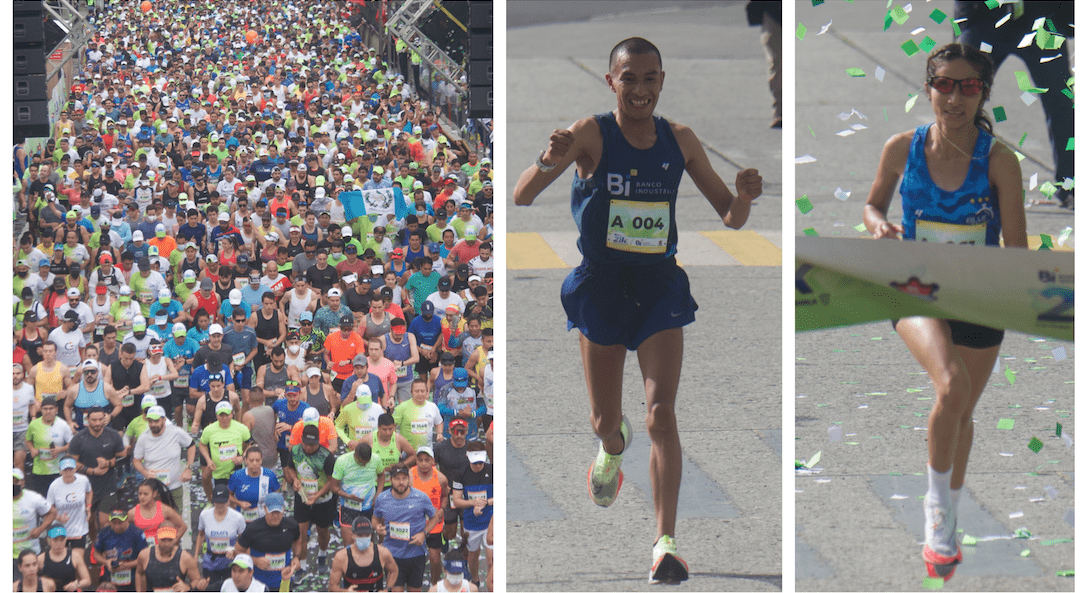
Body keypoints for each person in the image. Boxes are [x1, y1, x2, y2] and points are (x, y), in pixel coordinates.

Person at [512, 37, 764, 583]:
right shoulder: (590, 134)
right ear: (612, 83)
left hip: (658, 290)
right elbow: (522, 196)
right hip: (602, 288)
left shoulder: (681, 140)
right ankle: (611, 448)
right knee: (607, 423)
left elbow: (730, 216)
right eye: (630, 79)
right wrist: (549, 159)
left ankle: (664, 543)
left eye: (650, 79)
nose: (641, 90)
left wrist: (744, 196)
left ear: (662, 82)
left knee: (662, 413)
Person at [861, 43, 1027, 582]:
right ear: (928, 87)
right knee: (951, 388)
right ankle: (936, 513)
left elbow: (1018, 250)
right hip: (914, 293)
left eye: (968, 86)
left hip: (979, 297)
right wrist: (877, 226)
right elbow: (873, 205)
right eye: (944, 85)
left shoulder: (999, 160)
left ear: (982, 92)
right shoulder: (900, 148)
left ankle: (949, 511)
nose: (954, 97)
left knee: (962, 414)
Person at [954, 1, 1074, 209]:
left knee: (1061, 101)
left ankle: (1071, 184)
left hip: (1040, 18)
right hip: (984, 16)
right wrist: (965, 23)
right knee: (959, 93)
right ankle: (953, 180)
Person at [372, 464, 441, 593]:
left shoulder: (421, 498)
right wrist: (377, 527)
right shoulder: (382, 499)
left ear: (409, 479)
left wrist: (423, 533)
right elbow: (375, 518)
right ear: (391, 479)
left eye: (404, 478)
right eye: (397, 478)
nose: (401, 482)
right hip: (392, 555)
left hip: (416, 554)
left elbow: (434, 517)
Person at [284, 424, 337, 572]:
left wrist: (317, 496)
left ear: (318, 442)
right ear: (301, 440)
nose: (308, 448)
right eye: (306, 444)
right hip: (302, 497)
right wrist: (295, 480)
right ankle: (301, 565)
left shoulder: (326, 456)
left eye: (312, 445)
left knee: (323, 532)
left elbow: (331, 481)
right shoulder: (295, 450)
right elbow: (291, 468)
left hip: (322, 499)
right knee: (301, 534)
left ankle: (322, 554)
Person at [234, 492, 303, 592]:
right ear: (265, 509)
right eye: (272, 512)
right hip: (258, 585)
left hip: (284, 581)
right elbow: (237, 551)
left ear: (283, 509)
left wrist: (296, 557)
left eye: (278, 512)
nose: (275, 516)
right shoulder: (253, 529)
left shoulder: (292, 526)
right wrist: (255, 561)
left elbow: (298, 540)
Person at [450, 444, 492, 588]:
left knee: (491, 559)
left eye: (481, 462)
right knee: (473, 556)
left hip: (490, 522)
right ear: (467, 456)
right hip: (471, 523)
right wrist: (472, 503)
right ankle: (475, 581)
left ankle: (492, 585)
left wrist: (484, 503)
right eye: (475, 463)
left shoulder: (492, 470)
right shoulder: (460, 473)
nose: (478, 465)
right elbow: (456, 500)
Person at [410, 447, 449, 587]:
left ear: (433, 461)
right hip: (415, 524)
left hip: (435, 524)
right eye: (420, 460)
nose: (423, 463)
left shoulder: (441, 478)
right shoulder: (410, 476)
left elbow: (445, 496)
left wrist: (443, 509)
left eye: (427, 460)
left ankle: (434, 584)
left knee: (435, 559)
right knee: (414, 558)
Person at [195, 484, 247, 585]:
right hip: (211, 561)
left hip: (230, 562)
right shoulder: (204, 515)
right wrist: (196, 555)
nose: (220, 506)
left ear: (228, 500)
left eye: (223, 502)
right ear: (212, 499)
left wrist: (235, 551)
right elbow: (201, 535)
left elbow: (244, 540)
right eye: (217, 502)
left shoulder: (237, 517)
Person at [328, 518, 399, 593]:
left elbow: (394, 570)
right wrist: (345, 591)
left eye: (367, 535)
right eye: (360, 535)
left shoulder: (383, 553)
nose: (363, 538)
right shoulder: (341, 557)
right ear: (352, 535)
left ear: (371, 535)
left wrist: (387, 590)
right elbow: (332, 586)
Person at [199, 400, 252, 499]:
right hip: (219, 474)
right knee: (223, 500)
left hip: (237, 472)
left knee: (237, 500)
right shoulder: (209, 430)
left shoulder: (241, 428)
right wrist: (208, 460)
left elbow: (251, 444)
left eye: (227, 415)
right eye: (221, 415)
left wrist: (243, 456)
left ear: (232, 414)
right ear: (216, 415)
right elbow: (202, 444)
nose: (224, 418)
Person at [44, 457, 93, 562]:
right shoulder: (54, 486)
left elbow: (89, 491)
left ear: (75, 469)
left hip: (79, 528)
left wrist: (88, 506)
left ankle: (78, 579)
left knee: (77, 561)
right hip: (61, 529)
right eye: (65, 470)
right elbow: (49, 507)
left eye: (70, 469)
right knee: (60, 561)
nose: (68, 473)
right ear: (60, 471)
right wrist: (58, 517)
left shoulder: (83, 480)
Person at [25, 396, 74, 496]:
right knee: (43, 503)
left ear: (56, 409)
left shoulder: (63, 425)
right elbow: (28, 440)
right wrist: (32, 449)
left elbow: (72, 444)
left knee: (58, 500)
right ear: (41, 410)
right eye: (45, 409)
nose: (48, 411)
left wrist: (60, 449)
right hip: (39, 470)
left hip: (58, 470)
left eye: (51, 408)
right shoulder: (34, 424)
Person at [92, 505, 149, 591]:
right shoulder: (103, 533)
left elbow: (146, 558)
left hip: (133, 578)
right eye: (114, 523)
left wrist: (125, 566)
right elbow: (96, 553)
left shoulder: (137, 533)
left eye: (120, 522)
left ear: (127, 519)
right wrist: (106, 562)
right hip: (110, 579)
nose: (117, 526)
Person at [134, 525, 205, 592]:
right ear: (157, 537)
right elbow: (139, 574)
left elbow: (196, 580)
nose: (166, 544)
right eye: (163, 540)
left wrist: (188, 586)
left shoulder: (185, 558)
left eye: (170, 540)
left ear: (176, 538)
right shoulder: (144, 555)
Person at [227, 446, 281, 524]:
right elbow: (228, 495)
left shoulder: (269, 475)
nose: (254, 463)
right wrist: (239, 503)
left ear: (261, 460)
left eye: (257, 460)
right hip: (243, 519)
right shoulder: (237, 476)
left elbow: (276, 495)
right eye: (251, 460)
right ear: (245, 460)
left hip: (264, 519)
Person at [15, 468, 59, 564]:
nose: (12, 484)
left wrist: (41, 529)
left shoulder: (33, 498)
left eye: (16, 481)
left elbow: (52, 512)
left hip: (29, 552)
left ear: (22, 482)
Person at [393, 379, 443, 450]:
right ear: (411, 392)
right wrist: (396, 443)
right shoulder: (402, 407)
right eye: (416, 391)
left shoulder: (432, 407)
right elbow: (392, 426)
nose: (420, 394)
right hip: (407, 451)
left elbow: (439, 422)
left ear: (427, 391)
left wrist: (439, 433)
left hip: (427, 451)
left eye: (422, 391)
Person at [39, 525, 93, 592]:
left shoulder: (75, 556)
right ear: (48, 540)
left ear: (65, 539)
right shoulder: (41, 559)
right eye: (55, 540)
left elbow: (87, 580)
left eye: (62, 540)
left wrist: (76, 584)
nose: (59, 544)